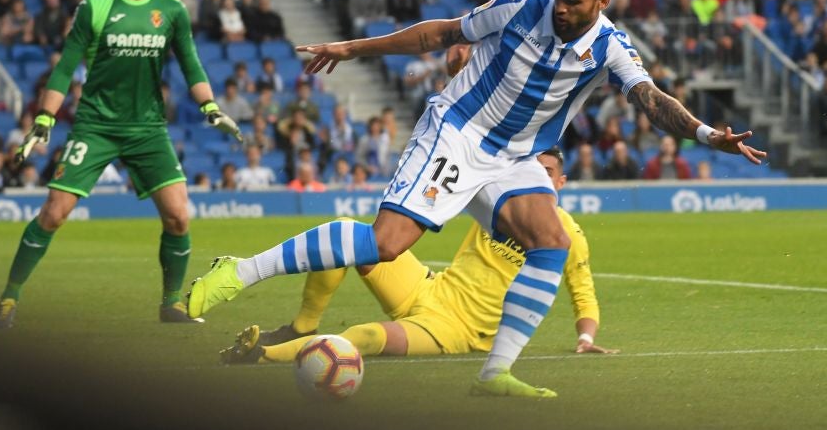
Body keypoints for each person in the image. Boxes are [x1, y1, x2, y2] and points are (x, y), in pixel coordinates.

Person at [188, 0, 765, 397]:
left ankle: (495, 374)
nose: (560, 7)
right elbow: (440, 33)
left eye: (573, 1)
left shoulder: (612, 47)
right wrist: (352, 49)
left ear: (603, 1)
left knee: (552, 241)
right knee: (385, 245)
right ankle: (240, 270)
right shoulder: (521, 6)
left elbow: (650, 99)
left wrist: (707, 135)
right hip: (458, 133)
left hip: (516, 158)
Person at [0, 0, 243, 330]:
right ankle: (8, 297)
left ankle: (170, 304)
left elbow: (191, 64)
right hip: (96, 126)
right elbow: (65, 67)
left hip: (148, 129)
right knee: (54, 213)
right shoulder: (94, 6)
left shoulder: (172, 9)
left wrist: (210, 106)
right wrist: (44, 117)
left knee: (179, 217)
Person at [219, 148, 616, 366]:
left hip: (455, 331)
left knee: (365, 336)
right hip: (428, 289)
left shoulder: (567, 236)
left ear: (561, 182)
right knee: (350, 240)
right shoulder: (500, 204)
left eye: (548, 172)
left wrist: (585, 337)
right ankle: (302, 327)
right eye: (534, 170)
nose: (539, 178)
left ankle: (263, 356)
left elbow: (583, 294)